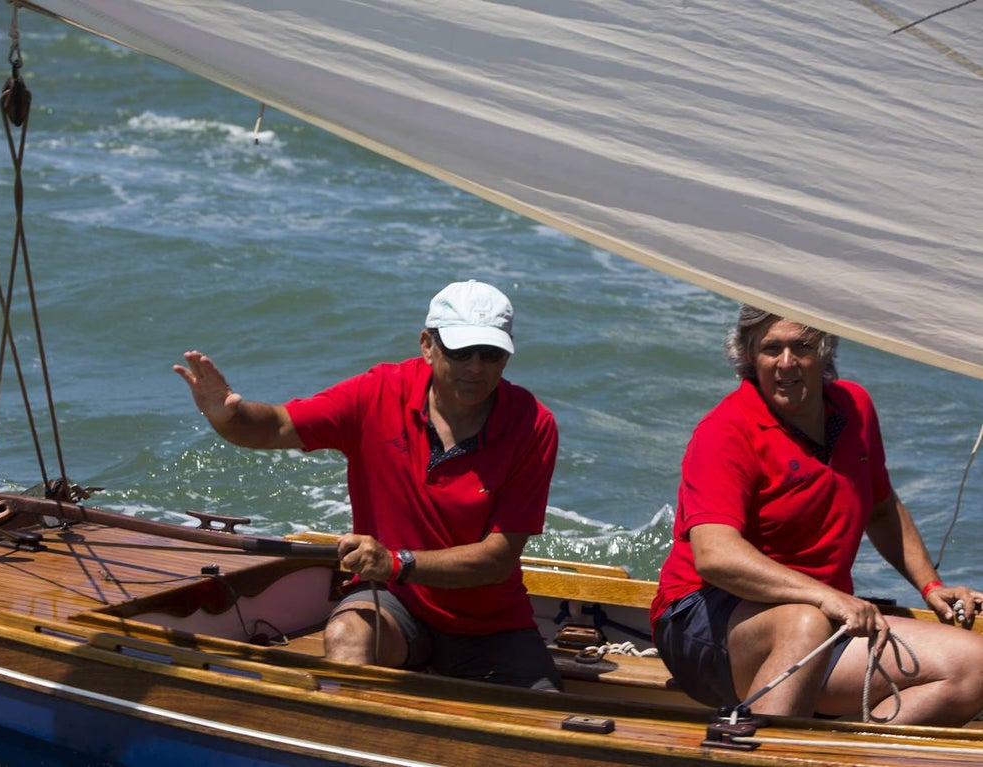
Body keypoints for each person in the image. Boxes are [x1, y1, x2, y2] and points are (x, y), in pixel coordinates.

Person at [174, 279, 562, 691]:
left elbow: (497, 559)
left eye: (492, 353)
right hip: (394, 607)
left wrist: (397, 563)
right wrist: (228, 419)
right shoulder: (377, 391)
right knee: (347, 637)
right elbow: (277, 426)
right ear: (427, 345)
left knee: (555, 730)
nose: (476, 367)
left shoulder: (533, 425)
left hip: (490, 626)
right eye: (461, 351)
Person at [650, 304, 983, 725]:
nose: (785, 363)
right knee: (804, 623)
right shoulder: (725, 431)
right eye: (771, 349)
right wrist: (824, 595)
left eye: (801, 346)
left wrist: (930, 586)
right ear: (749, 355)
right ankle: (753, 750)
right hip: (701, 622)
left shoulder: (855, 407)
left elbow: (881, 508)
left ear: (826, 350)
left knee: (974, 665)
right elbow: (716, 556)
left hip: (822, 620)